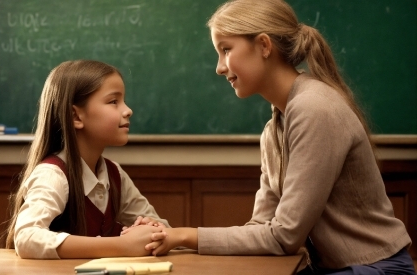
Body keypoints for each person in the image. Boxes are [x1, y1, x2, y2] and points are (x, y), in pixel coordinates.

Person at [123, 0, 415, 273]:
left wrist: (182, 235)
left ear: (263, 45)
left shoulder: (314, 108)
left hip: (376, 267)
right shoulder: (274, 128)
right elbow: (262, 228)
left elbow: (284, 236)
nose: (219, 67)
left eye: (226, 49)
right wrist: (169, 236)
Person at [4, 60, 169, 259]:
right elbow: (26, 238)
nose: (128, 110)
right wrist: (120, 245)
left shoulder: (114, 174)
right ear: (76, 116)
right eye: (113, 101)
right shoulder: (52, 174)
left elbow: (164, 230)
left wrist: (152, 230)